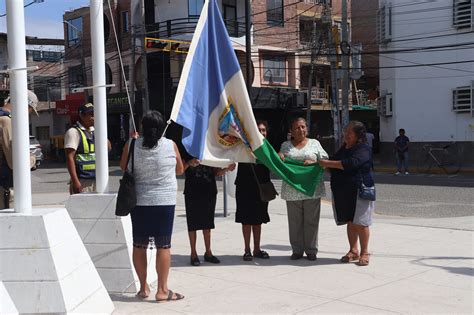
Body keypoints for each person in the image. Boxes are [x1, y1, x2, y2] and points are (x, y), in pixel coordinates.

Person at [119, 110, 185, 301]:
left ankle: (143, 288)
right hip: (164, 202)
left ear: (142, 127)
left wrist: (134, 142)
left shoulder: (132, 144)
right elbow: (180, 170)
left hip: (138, 202)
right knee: (163, 246)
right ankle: (163, 290)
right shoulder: (171, 145)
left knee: (139, 244)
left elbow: (124, 167)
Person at [319, 121, 374, 266]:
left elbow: (350, 163)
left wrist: (327, 163)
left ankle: (365, 252)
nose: (346, 134)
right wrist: (318, 160)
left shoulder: (364, 149)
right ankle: (353, 250)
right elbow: (335, 159)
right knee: (350, 221)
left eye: (350, 132)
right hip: (343, 190)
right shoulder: (344, 147)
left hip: (359, 190)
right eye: (346, 131)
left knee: (361, 223)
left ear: (358, 135)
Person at [279, 117, 328, 261]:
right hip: (292, 189)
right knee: (295, 222)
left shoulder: (315, 143)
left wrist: (315, 162)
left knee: (311, 221)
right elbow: (281, 163)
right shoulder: (285, 145)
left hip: (311, 189)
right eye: (297, 128)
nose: (301, 130)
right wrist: (280, 156)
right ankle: (297, 250)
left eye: (303, 127)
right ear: (291, 131)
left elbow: (325, 160)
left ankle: (311, 250)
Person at [182, 156, 234, 266]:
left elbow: (216, 172)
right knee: (192, 223)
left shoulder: (209, 151)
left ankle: (208, 252)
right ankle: (193, 253)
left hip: (209, 190)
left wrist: (226, 169)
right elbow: (179, 169)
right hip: (192, 191)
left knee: (207, 223)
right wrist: (189, 163)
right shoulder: (186, 149)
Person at [235, 121, 272, 261]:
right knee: (246, 220)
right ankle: (247, 250)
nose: (262, 133)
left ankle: (257, 249)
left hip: (261, 188)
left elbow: (276, 162)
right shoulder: (244, 146)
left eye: (264, 130)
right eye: (258, 130)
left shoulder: (268, 148)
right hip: (244, 187)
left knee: (258, 220)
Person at [0, 90, 39, 209]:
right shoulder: (6, 121)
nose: (27, 115)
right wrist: (33, 159)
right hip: (4, 187)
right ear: (24, 105)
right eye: (30, 111)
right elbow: (15, 163)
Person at [65, 103, 96, 194]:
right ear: (81, 115)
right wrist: (75, 182)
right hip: (83, 180)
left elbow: (108, 148)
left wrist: (100, 130)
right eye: (90, 114)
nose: (93, 117)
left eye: (94, 114)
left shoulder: (95, 131)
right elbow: (69, 157)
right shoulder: (73, 132)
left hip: (97, 179)